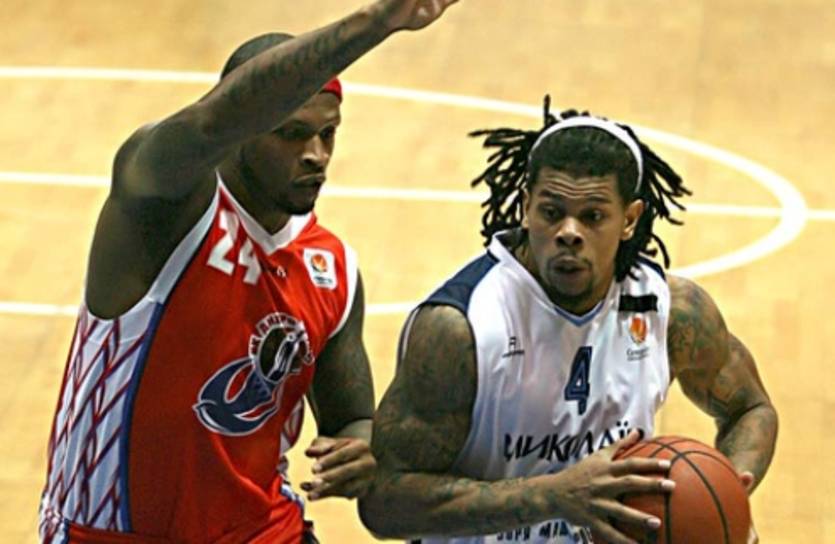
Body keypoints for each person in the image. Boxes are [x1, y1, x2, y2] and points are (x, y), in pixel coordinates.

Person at [38, 1, 460, 542]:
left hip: (263, 531)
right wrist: (377, 21)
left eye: (327, 134)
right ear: (242, 129)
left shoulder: (332, 268)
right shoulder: (162, 208)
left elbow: (350, 418)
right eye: (292, 133)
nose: (316, 155)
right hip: (110, 533)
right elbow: (212, 120)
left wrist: (360, 449)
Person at [359, 102, 779, 544]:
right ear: (526, 207)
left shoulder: (671, 310)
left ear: (629, 219)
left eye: (593, 216)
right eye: (551, 212)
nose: (569, 232)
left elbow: (750, 410)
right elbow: (384, 503)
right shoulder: (461, 327)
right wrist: (552, 497)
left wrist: (725, 495)